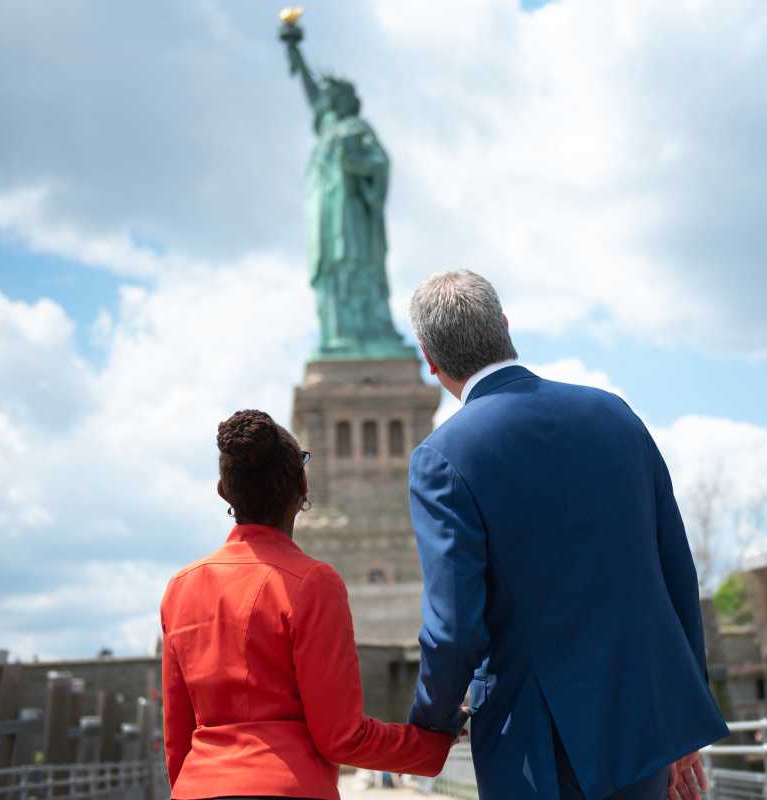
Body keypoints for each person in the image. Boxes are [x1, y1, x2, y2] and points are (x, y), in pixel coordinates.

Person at [405, 271, 729, 800]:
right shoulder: (615, 416)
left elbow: (455, 628)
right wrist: (679, 724)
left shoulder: (443, 459)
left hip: (534, 744)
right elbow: (676, 573)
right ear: (506, 327)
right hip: (641, 730)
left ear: (430, 359)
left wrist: (429, 723)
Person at [160, 410, 454, 800]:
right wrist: (433, 746)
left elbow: (177, 737)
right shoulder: (314, 583)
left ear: (223, 491)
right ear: (302, 486)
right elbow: (341, 737)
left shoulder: (180, 589)